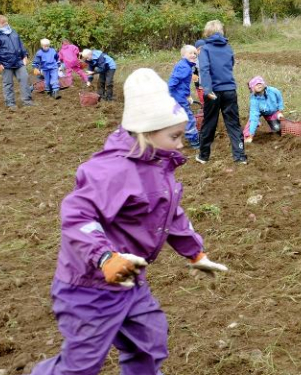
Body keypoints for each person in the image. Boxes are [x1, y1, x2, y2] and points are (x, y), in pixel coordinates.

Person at [26, 68, 228, 375]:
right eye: (174, 136)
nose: (180, 144)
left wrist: (195, 253)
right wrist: (105, 257)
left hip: (130, 281)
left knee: (150, 340)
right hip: (89, 287)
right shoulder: (112, 171)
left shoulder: (159, 166)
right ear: (147, 132)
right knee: (80, 366)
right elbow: (77, 215)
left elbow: (170, 215)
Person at [196, 20, 247, 165]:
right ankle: (240, 156)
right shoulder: (228, 48)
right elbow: (230, 65)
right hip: (230, 90)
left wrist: (207, 89)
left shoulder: (205, 49)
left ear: (207, 32)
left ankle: (203, 156)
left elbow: (204, 69)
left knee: (209, 123)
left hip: (213, 92)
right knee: (233, 124)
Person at [0, 14, 32, 109]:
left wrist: (25, 55)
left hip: (18, 62)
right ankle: (10, 104)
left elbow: (20, 44)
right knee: (8, 83)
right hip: (5, 64)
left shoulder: (13, 32)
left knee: (25, 78)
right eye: (3, 22)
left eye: (6, 21)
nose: (5, 23)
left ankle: (27, 101)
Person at [167, 45, 200, 149]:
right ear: (183, 55)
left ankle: (171, 138)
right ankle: (194, 141)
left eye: (195, 53)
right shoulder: (184, 67)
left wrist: (188, 96)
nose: (193, 55)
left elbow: (182, 85)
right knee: (189, 119)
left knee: (177, 118)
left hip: (179, 97)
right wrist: (168, 93)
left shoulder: (185, 65)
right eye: (190, 53)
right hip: (178, 98)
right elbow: (173, 81)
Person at [244, 76, 284, 143]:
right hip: (258, 111)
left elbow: (279, 100)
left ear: (264, 84)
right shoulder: (254, 101)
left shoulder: (273, 91)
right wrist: (251, 135)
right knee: (252, 121)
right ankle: (248, 136)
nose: (259, 85)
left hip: (271, 112)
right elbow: (254, 116)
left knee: (277, 128)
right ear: (252, 89)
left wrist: (280, 111)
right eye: (256, 84)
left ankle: (274, 124)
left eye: (260, 83)